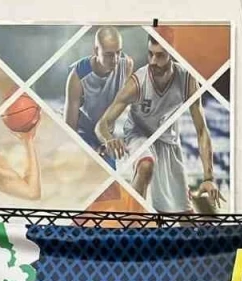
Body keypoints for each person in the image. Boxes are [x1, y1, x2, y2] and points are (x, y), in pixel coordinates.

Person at [95, 34, 219, 213]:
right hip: (138, 134)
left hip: (168, 141)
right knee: (146, 165)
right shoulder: (136, 83)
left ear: (172, 54)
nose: (153, 61)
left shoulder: (188, 80)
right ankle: (133, 225)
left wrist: (209, 178)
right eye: (150, 54)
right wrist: (108, 138)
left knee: (184, 216)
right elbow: (103, 123)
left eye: (160, 55)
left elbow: (201, 130)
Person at [65, 26, 135, 161]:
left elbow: (118, 104)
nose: (115, 59)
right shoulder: (76, 77)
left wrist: (106, 136)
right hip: (83, 135)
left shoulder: (127, 65)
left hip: (105, 134)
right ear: (96, 51)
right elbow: (69, 130)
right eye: (109, 54)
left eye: (118, 52)